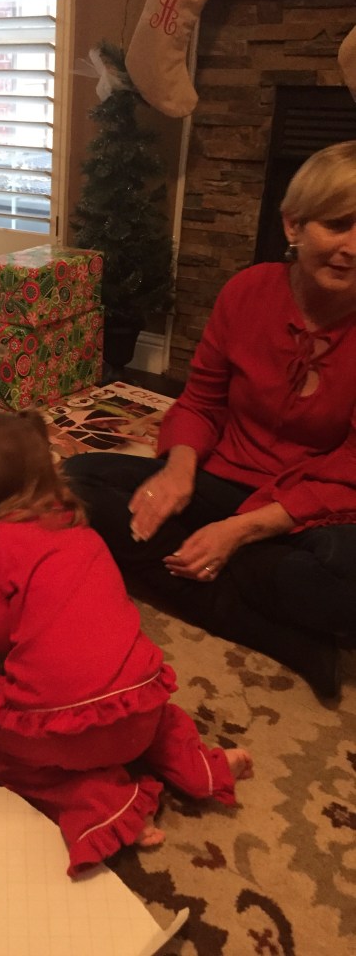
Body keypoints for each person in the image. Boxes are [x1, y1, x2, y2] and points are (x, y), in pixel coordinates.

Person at [66, 140, 356, 700]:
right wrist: (178, 472)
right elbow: (201, 400)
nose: (352, 247)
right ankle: (276, 629)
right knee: (77, 482)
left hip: (312, 505)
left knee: (345, 579)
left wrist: (240, 532)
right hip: (225, 478)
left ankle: (217, 575)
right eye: (338, 224)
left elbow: (351, 465)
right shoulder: (247, 291)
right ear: (294, 225)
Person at [0, 410, 252, 876]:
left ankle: (101, 801)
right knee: (157, 714)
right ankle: (195, 765)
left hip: (71, 737)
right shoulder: (79, 526)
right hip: (140, 712)